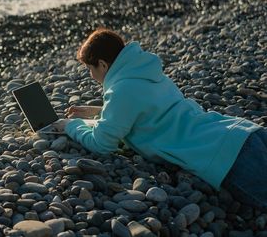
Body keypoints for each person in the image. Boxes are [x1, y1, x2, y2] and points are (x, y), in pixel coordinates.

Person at [52, 28, 267, 209]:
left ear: (103, 65)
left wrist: (72, 126)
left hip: (228, 157)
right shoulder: (147, 72)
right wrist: (98, 112)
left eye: (90, 68)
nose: (91, 75)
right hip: (241, 131)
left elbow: (101, 144)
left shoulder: (122, 90)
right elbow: (150, 111)